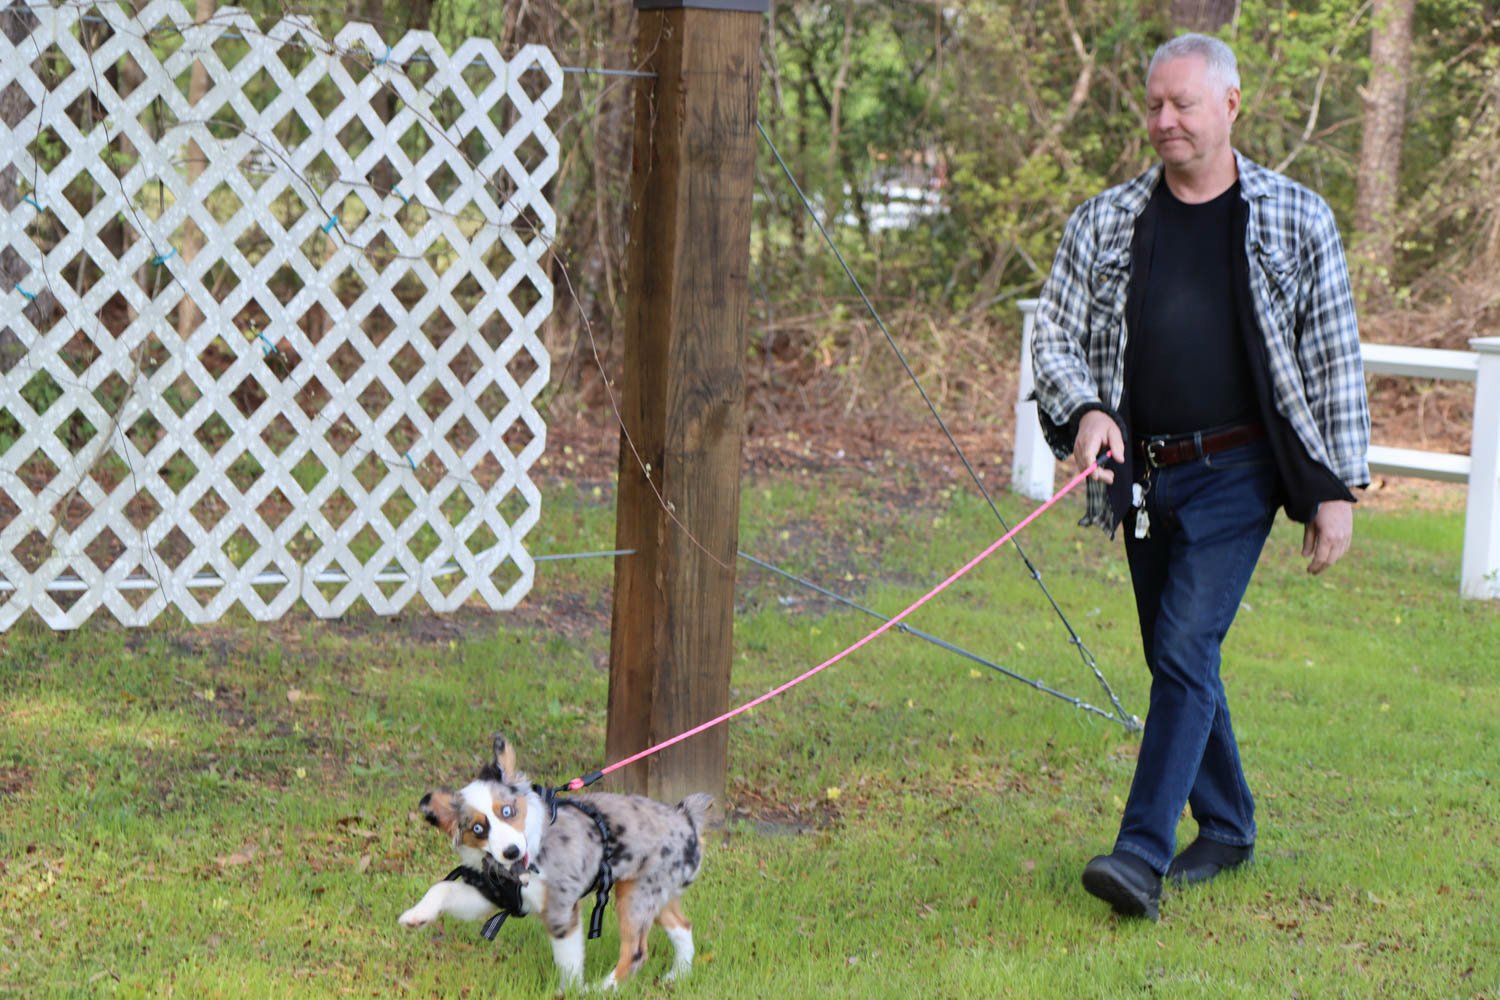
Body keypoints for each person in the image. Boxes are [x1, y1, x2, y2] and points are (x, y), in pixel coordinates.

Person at [1029, 33, 1370, 921]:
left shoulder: (1297, 217)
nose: (1165, 120)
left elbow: (1334, 361)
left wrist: (1336, 488)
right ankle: (1226, 823)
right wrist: (1088, 410)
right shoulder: (1102, 220)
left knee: (1184, 644)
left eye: (1183, 103)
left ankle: (1140, 853)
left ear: (1231, 106)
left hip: (1241, 470)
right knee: (1176, 653)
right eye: (1154, 104)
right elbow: (1054, 338)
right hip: (1138, 472)